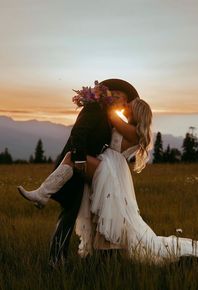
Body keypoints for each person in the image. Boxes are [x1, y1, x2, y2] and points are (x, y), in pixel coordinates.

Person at [18, 78, 140, 266]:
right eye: (112, 94)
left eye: (119, 96)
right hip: (77, 165)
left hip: (88, 169)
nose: (115, 98)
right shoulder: (94, 109)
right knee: (70, 212)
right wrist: (81, 159)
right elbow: (79, 133)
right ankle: (56, 259)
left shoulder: (110, 117)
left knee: (73, 212)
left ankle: (61, 256)